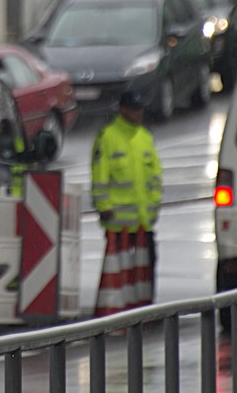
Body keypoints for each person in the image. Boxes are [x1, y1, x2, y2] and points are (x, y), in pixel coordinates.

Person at [90, 91, 163, 315]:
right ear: (122, 109)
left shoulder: (144, 137)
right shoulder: (108, 137)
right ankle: (115, 311)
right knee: (118, 273)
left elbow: (155, 177)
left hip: (143, 223)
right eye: (134, 109)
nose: (138, 113)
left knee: (146, 269)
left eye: (140, 109)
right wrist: (105, 209)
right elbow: (99, 178)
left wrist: (154, 205)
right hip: (118, 225)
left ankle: (142, 310)